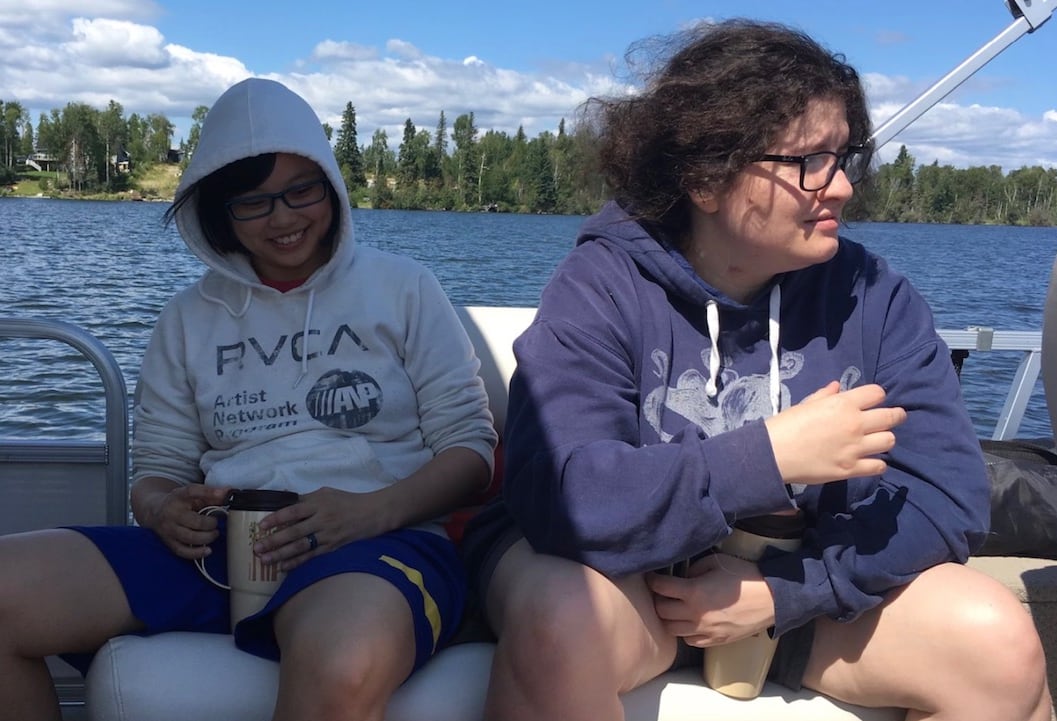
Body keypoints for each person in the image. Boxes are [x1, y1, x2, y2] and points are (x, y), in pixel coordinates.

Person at [461, 19, 1050, 721]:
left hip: (797, 591)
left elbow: (946, 497)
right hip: (621, 583)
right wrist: (769, 457)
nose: (839, 187)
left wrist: (783, 592)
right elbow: (561, 496)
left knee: (999, 647)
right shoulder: (603, 285)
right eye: (809, 161)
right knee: (562, 624)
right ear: (705, 178)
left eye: (843, 157)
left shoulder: (873, 297)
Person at [0, 77, 497, 721]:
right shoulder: (187, 317)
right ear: (219, 211)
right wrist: (162, 509)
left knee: (343, 657)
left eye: (302, 190)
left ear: (331, 186)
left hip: (378, 546)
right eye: (254, 202)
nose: (284, 218)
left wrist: (371, 512)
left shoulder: (405, 288)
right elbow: (157, 472)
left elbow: (471, 452)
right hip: (218, 551)